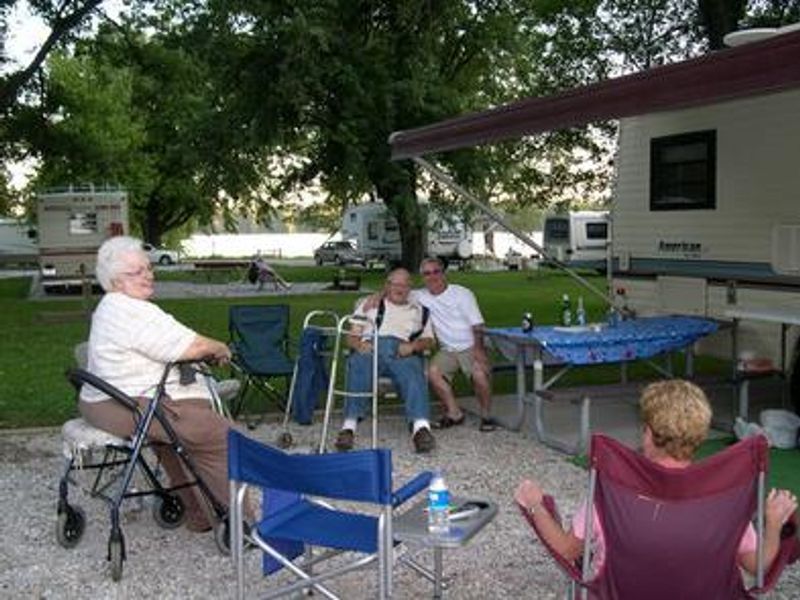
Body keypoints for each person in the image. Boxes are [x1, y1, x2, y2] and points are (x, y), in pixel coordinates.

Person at [514, 379, 798, 576]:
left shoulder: (612, 494)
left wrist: (535, 505)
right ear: (700, 437)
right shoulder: (722, 500)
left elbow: (567, 550)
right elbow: (756, 567)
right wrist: (773, 524)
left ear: (648, 433)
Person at [79, 235, 240, 533]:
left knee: (173, 439)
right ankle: (243, 525)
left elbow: (167, 345)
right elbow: (192, 346)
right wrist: (220, 348)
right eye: (136, 272)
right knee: (221, 436)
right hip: (126, 404)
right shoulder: (131, 311)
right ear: (115, 281)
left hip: (107, 401)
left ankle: (199, 514)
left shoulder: (112, 306)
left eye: (148, 268)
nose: (148, 276)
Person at [334, 268, 437, 454]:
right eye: (395, 284)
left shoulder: (420, 311)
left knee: (414, 369)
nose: (400, 288)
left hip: (402, 354)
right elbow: (351, 337)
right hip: (371, 350)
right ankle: (348, 428)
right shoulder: (370, 305)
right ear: (387, 286)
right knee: (359, 364)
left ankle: (421, 429)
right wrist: (358, 345)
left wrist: (413, 346)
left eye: (404, 285)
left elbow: (430, 340)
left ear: (410, 288)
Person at [415, 257, 496, 431]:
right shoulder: (420, 295)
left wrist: (479, 351)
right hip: (448, 350)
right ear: (422, 277)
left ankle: (487, 415)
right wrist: (376, 297)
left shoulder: (462, 294)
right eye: (427, 273)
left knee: (479, 374)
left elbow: (478, 325)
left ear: (444, 273)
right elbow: (395, 289)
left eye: (436, 272)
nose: (432, 277)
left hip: (472, 344)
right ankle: (454, 413)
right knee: (432, 372)